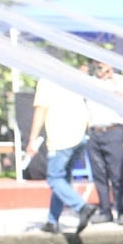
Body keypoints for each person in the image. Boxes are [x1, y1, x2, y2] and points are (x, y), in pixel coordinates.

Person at [24, 63, 98, 234]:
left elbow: (40, 111)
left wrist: (32, 140)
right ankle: (52, 220)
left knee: (54, 179)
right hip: (79, 135)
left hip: (61, 137)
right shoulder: (70, 78)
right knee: (63, 179)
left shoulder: (46, 81)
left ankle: (82, 207)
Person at [84, 59, 123, 225]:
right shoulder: (90, 81)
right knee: (99, 175)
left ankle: (122, 211)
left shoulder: (120, 81)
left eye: (102, 63)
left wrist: (111, 80)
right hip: (95, 132)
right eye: (97, 64)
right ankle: (105, 210)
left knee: (117, 174)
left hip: (113, 131)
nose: (100, 67)